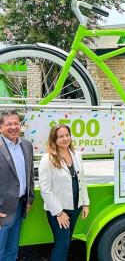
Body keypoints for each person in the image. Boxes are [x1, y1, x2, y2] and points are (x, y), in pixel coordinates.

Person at [39, 124, 89, 261]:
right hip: (59, 211)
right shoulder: (48, 158)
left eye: (67, 135)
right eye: (61, 136)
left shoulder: (77, 155)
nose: (65, 138)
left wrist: (85, 203)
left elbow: (82, 181)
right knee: (62, 244)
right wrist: (59, 213)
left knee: (66, 244)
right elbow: (45, 190)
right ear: (54, 139)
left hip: (75, 207)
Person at [0, 109, 35, 261]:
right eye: (9, 124)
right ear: (1, 127)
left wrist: (29, 199)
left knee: (12, 250)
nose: (13, 127)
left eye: (16, 123)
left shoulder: (27, 145)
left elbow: (30, 175)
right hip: (2, 210)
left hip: (20, 206)